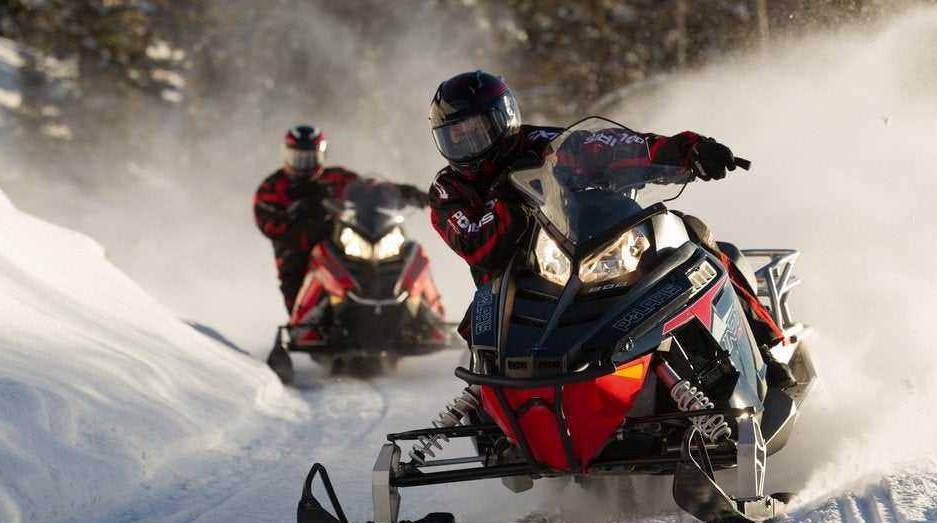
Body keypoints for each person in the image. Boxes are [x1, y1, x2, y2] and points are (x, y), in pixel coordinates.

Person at [427, 71, 790, 384]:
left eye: (477, 130)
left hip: (586, 262)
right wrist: (510, 195)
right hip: (516, 287)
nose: (469, 144)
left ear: (503, 119)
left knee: (692, 235)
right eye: (456, 136)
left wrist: (686, 150)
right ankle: (489, 407)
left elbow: (618, 147)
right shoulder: (448, 191)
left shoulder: (548, 146)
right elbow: (478, 245)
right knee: (480, 329)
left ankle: (761, 345)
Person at [254, 124, 430, 313]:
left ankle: (424, 308)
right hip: (298, 249)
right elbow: (268, 223)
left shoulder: (336, 177)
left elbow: (369, 188)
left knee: (405, 250)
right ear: (287, 154)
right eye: (298, 158)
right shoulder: (272, 187)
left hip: (341, 238)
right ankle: (304, 321)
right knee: (293, 271)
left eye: (310, 158)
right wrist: (302, 220)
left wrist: (407, 194)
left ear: (321, 155)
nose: (304, 165)